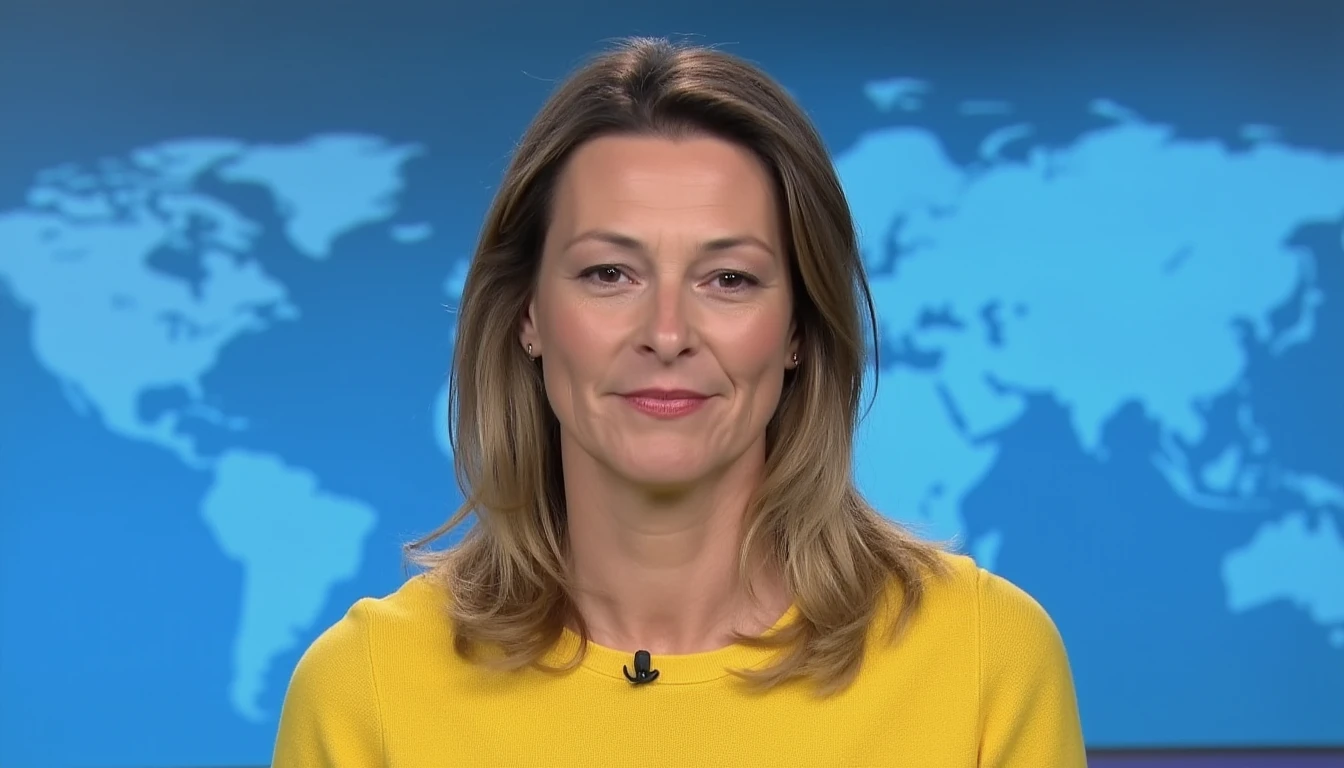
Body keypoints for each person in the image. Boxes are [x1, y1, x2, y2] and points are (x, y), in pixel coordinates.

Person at [272, 36, 1086, 767]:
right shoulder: (365, 691)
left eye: (728, 279)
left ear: (799, 326)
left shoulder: (983, 659)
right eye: (608, 274)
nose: (667, 333)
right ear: (529, 315)